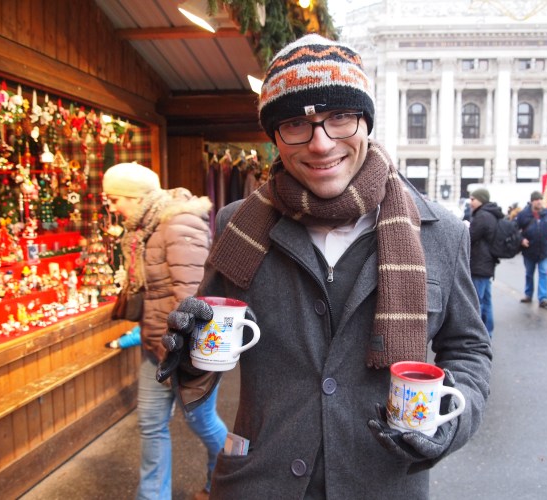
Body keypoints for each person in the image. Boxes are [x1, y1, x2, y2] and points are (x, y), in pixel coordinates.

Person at [156, 34, 492, 499]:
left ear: (365, 122)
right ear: (275, 136)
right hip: (261, 483)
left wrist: (452, 419)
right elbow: (208, 348)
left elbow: (469, 349)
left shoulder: (441, 233)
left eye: (340, 117)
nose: (320, 143)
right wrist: (190, 354)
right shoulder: (239, 225)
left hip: (383, 483)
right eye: (295, 123)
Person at [102, 162, 227, 500]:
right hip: (155, 346)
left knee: (201, 421)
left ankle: (226, 480)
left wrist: (181, 353)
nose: (112, 207)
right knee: (151, 424)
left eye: (114, 199)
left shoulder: (179, 223)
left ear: (134, 196)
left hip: (186, 352)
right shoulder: (144, 229)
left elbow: (192, 297)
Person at [515, 191, 547, 307]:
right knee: (529, 274)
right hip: (529, 250)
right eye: (537, 200)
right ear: (532, 201)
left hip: (545, 250)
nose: (539, 202)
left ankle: (543, 298)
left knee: (543, 272)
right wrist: (521, 239)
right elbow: (514, 229)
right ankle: (528, 294)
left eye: (541, 199)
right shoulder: (523, 214)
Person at [468, 188, 503, 335]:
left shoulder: (482, 216)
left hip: (480, 262)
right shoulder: (491, 214)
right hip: (488, 262)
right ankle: (488, 333)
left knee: (477, 301)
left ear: (481, 199)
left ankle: (479, 335)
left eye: (473, 199)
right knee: (487, 301)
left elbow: (470, 236)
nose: (470, 202)